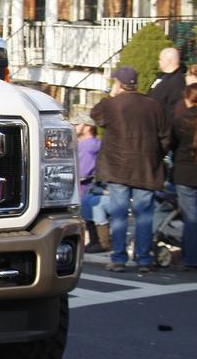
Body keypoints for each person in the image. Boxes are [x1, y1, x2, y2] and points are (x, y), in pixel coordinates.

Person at [91, 66, 171, 273]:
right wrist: (156, 156)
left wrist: (110, 95)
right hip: (146, 168)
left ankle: (119, 259)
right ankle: (143, 259)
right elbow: (165, 136)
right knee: (144, 215)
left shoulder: (112, 104)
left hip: (118, 168)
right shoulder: (152, 105)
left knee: (119, 214)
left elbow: (96, 116)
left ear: (118, 83)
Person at [73, 113, 110, 253]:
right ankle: (96, 241)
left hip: (87, 188)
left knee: (89, 210)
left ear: (88, 127)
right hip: (87, 188)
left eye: (77, 124)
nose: (74, 127)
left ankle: (98, 242)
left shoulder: (89, 146)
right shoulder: (88, 145)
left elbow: (82, 173)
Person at [170, 84, 197, 271]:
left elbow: (172, 145)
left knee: (191, 218)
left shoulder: (181, 121)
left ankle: (190, 257)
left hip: (185, 172)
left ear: (187, 98)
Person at [149, 47, 185, 123]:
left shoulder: (177, 81)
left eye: (160, 59)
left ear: (168, 61)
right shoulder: (160, 77)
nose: (159, 61)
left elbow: (175, 108)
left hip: (165, 127)